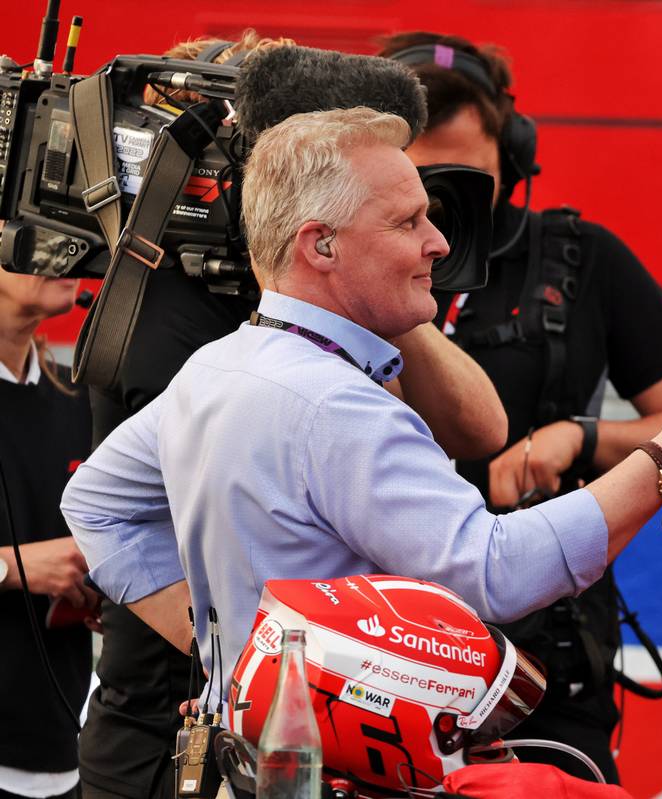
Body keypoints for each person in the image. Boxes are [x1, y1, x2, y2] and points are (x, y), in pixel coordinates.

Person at [61, 108, 662, 718]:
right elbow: (493, 571)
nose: (439, 243)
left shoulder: (216, 367)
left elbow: (95, 504)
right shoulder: (337, 404)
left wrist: (237, 658)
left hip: (257, 751)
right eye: (409, 220)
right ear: (321, 244)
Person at [76, 32, 509, 799]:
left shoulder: (330, 305)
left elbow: (480, 429)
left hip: (302, 734)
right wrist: (239, 659)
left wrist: (372, 278)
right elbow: (101, 503)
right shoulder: (161, 305)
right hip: (165, 726)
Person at [376, 31, 662, 782]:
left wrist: (582, 436)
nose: (441, 210)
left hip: (547, 670)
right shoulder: (346, 270)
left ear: (514, 154)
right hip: (380, 657)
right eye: (418, 179)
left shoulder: (582, 258)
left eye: (465, 176)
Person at [0, 267, 94, 799]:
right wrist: (13, 568)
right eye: (38, 227)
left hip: (64, 756)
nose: (68, 252)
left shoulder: (80, 400)